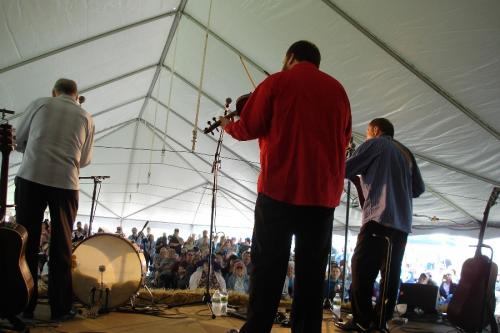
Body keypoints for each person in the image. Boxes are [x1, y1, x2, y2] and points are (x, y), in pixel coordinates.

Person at [221, 40, 351, 333]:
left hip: (279, 191)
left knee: (269, 267)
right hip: (321, 197)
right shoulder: (338, 91)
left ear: (290, 57)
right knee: (312, 273)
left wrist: (226, 125)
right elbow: (343, 141)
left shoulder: (276, 83)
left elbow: (249, 126)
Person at [15, 78, 94, 321]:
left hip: (31, 176)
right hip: (66, 183)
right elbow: (85, 160)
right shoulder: (86, 117)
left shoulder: (40, 103)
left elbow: (19, 140)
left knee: (25, 241)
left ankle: (22, 305)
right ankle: (60, 309)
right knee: (61, 246)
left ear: (54, 92)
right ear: (76, 95)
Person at [336, 118, 425, 332]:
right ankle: (380, 322)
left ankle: (361, 320)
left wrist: (347, 154)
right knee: (390, 275)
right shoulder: (406, 153)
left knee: (360, 269)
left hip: (379, 217)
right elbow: (418, 189)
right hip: (402, 224)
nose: (366, 136)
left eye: (367, 132)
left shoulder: (376, 143)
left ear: (375, 130)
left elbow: (344, 169)